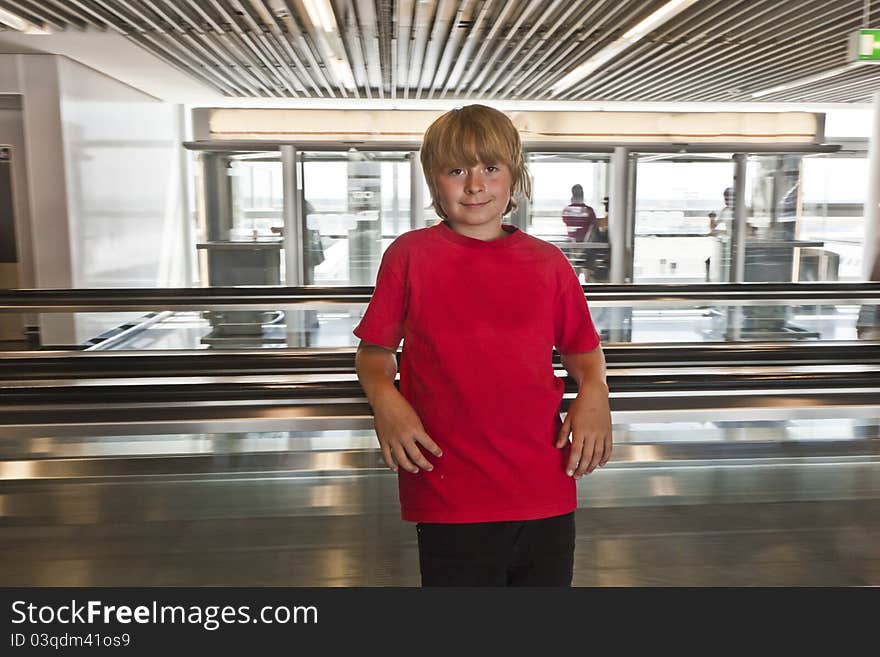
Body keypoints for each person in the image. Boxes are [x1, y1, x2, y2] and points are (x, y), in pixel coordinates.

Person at [352, 104, 612, 587]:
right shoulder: (409, 256)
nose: (475, 185)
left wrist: (595, 390)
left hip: (543, 483)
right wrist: (385, 400)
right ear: (435, 183)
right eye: (456, 170)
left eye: (490, 168)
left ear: (514, 177)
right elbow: (374, 351)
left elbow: (582, 348)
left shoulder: (548, 262)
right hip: (448, 487)